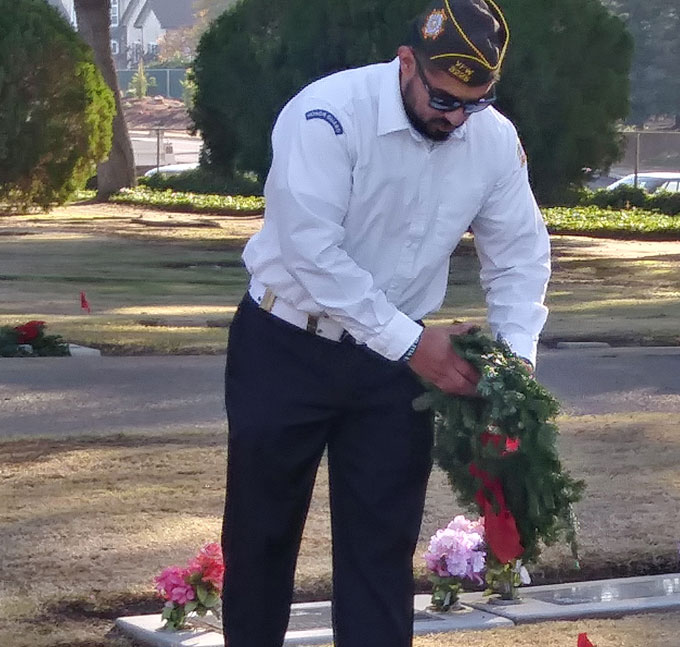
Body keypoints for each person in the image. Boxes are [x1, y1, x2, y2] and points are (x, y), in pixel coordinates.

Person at [220, 1, 551, 645]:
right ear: (407, 62)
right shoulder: (327, 115)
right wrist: (410, 343)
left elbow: (519, 257)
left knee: (381, 549)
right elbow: (311, 251)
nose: (453, 117)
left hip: (395, 368)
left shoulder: (491, 139)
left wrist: (512, 365)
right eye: (442, 97)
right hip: (286, 342)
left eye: (472, 103)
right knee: (262, 535)